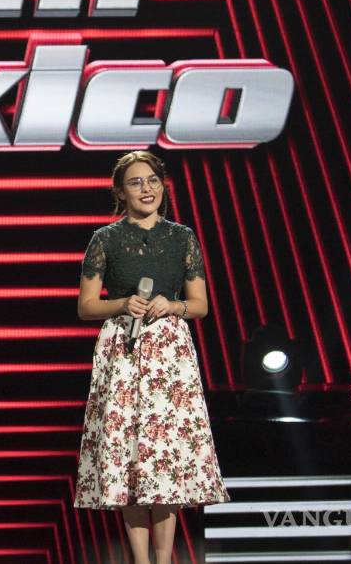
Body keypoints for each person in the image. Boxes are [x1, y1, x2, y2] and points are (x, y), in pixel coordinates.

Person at [74, 150, 230, 564]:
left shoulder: (182, 237)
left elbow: (200, 305)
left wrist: (173, 305)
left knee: (164, 456)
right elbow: (86, 306)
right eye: (136, 182)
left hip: (170, 355)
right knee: (128, 455)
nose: (146, 189)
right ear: (120, 192)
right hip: (122, 352)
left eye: (153, 181)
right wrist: (122, 304)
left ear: (163, 186)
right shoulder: (105, 239)